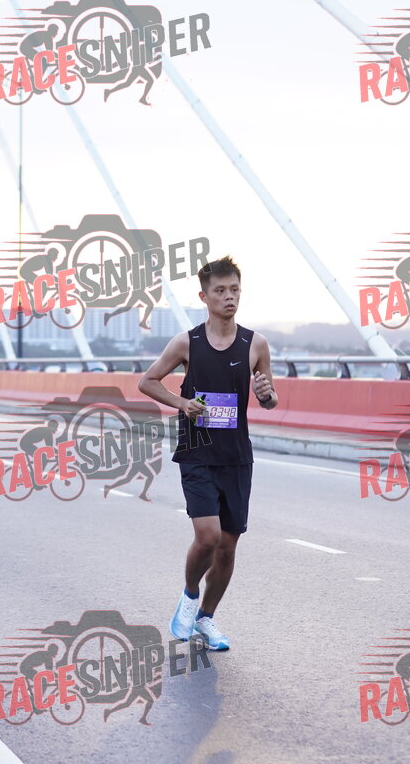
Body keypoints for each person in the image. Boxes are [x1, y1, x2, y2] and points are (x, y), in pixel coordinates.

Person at [138, 255, 277, 650]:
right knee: (208, 537)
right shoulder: (187, 342)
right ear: (204, 296)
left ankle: (206, 619)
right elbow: (148, 381)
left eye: (234, 289)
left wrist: (267, 394)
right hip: (197, 452)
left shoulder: (256, 344)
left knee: (228, 549)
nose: (229, 297)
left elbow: (269, 399)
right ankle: (189, 596)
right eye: (220, 291)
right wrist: (182, 403)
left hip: (236, 457)